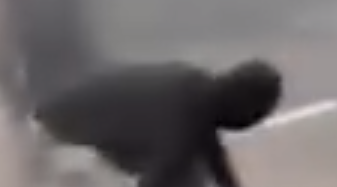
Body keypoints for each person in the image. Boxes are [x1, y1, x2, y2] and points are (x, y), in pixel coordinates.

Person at [33, 59, 284, 187]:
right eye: (257, 114)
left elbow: (211, 150)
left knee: (189, 176)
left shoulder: (194, 85)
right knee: (184, 181)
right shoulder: (181, 128)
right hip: (60, 144)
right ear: (241, 106)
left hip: (61, 124)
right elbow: (157, 179)